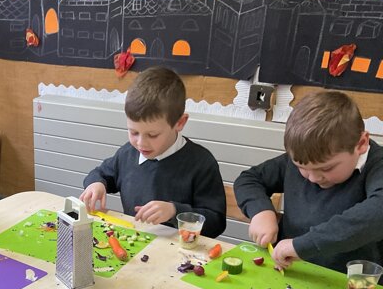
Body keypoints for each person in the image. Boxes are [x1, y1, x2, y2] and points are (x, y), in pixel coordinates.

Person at [234, 91, 383, 273]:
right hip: (292, 271)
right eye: (301, 167)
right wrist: (260, 211)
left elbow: (377, 213)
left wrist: (303, 245)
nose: (313, 178)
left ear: (361, 144)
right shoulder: (303, 158)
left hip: (354, 282)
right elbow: (249, 179)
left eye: (326, 168)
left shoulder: (377, 166)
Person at [80, 66, 226, 238]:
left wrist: (174, 211)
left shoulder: (201, 163)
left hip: (180, 248)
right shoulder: (128, 153)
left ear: (180, 123)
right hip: (135, 241)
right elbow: (100, 173)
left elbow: (216, 222)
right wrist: (96, 184)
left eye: (152, 135)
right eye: (134, 132)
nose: (141, 143)